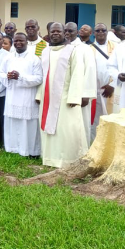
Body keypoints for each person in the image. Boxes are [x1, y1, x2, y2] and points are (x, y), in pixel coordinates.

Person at [35, 23, 88, 168]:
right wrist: (40, 95)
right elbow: (42, 75)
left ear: (65, 33)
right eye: (53, 31)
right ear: (49, 33)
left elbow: (78, 73)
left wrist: (74, 96)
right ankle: (49, 158)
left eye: (59, 31)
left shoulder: (73, 51)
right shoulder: (45, 51)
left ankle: (69, 159)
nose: (55, 34)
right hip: (48, 98)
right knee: (49, 129)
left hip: (66, 97)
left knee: (66, 129)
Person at [0, 33, 43, 157]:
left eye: (21, 41)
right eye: (16, 41)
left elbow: (39, 78)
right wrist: (7, 76)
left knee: (26, 124)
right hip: (12, 95)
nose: (18, 43)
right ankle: (12, 147)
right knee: (12, 122)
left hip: (27, 96)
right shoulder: (8, 57)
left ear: (26, 42)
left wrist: (21, 78)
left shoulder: (34, 59)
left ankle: (28, 150)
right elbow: (1, 73)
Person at [65, 22, 97, 146]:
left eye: (70, 31)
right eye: (65, 31)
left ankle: (82, 148)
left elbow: (90, 71)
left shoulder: (84, 48)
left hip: (80, 93)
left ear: (77, 32)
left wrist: (86, 94)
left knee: (81, 121)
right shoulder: (62, 47)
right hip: (65, 91)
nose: (67, 33)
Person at [90, 23, 116, 141]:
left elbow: (120, 68)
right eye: (98, 30)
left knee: (111, 116)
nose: (100, 33)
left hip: (110, 89)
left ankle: (110, 141)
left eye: (103, 30)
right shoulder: (88, 49)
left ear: (107, 32)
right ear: (93, 33)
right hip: (93, 88)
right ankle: (95, 141)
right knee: (95, 117)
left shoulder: (116, 48)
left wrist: (112, 85)